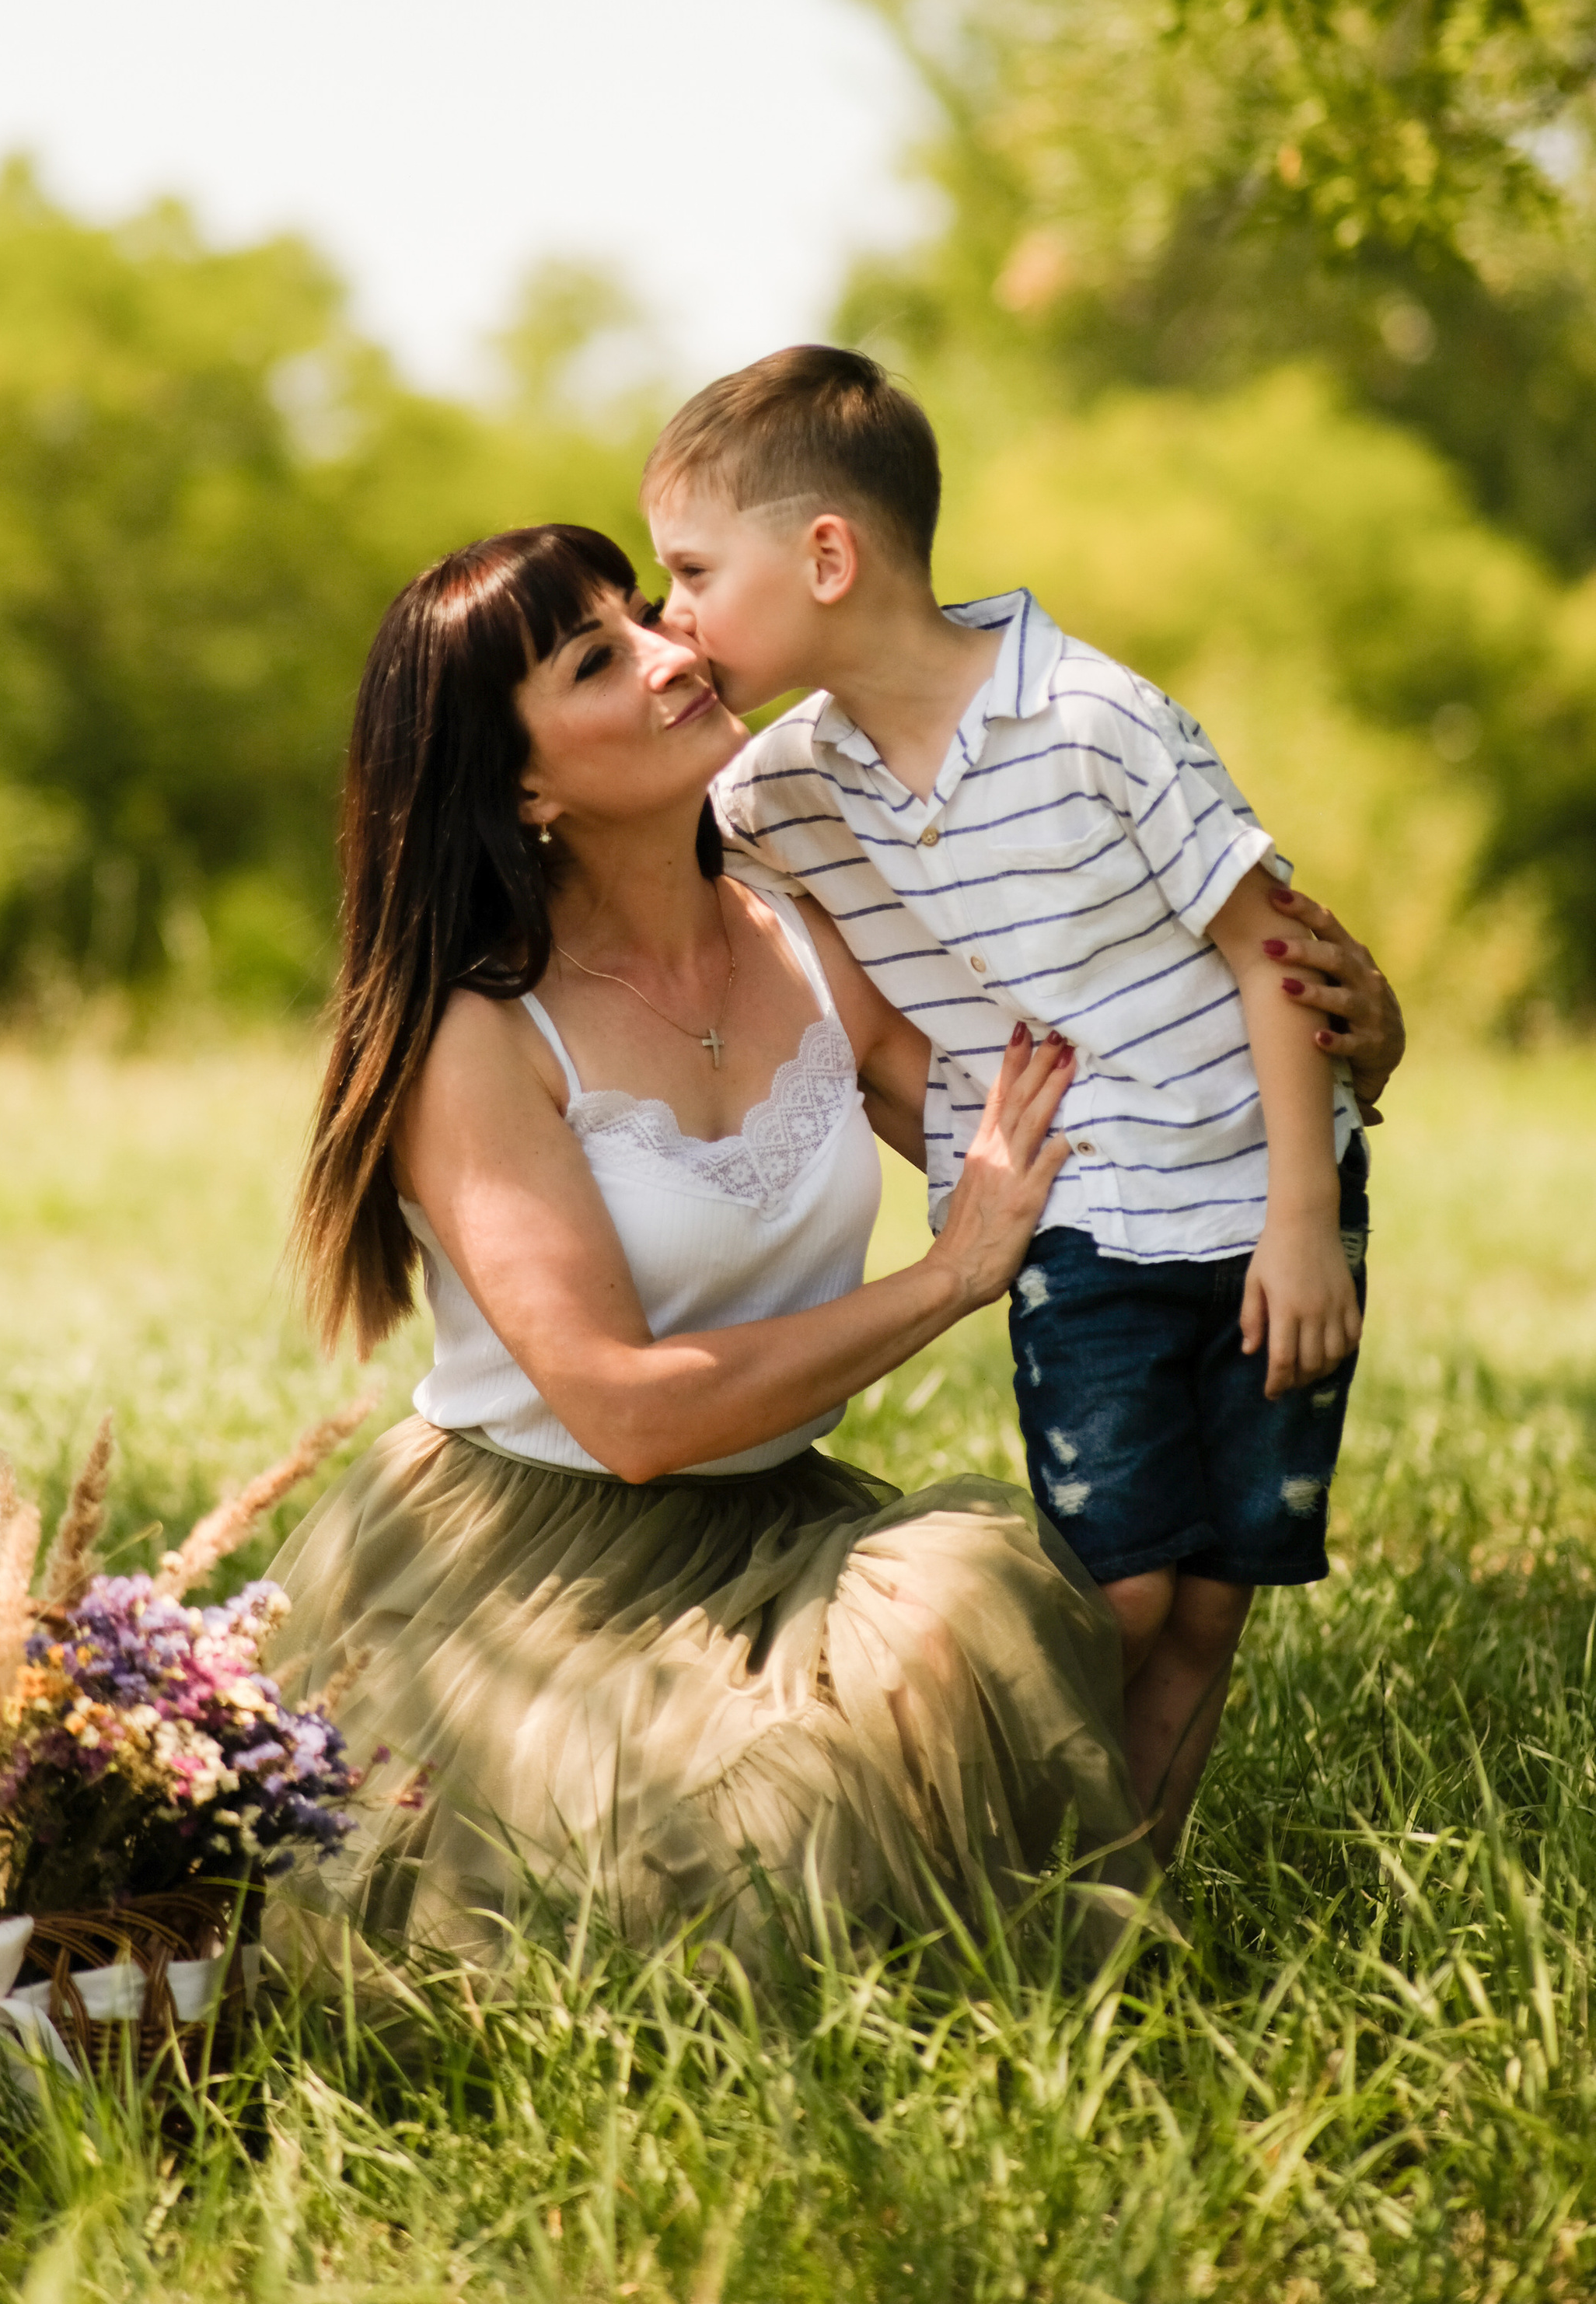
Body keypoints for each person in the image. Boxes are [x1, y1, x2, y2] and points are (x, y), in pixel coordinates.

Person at [267, 523, 1167, 1969]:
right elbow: (627, 1413)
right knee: (701, 1860)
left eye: (647, 616)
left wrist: (1310, 1038)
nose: (674, 653)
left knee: (968, 1602)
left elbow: (1054, 1105)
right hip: (529, 1566)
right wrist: (946, 1279)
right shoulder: (482, 1037)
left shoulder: (805, 934)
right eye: (597, 659)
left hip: (776, 1526)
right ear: (523, 784)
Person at [644, 347, 1406, 1858]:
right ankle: (1028, 1873)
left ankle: (1131, 1900)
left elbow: (1273, 959)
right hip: (1084, 1221)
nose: (667, 619)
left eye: (686, 571)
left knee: (1210, 1596)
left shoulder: (1093, 719)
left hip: (1270, 1208)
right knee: (1115, 1586)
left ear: (824, 554)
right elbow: (675, 876)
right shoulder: (782, 784)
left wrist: (1304, 1227)